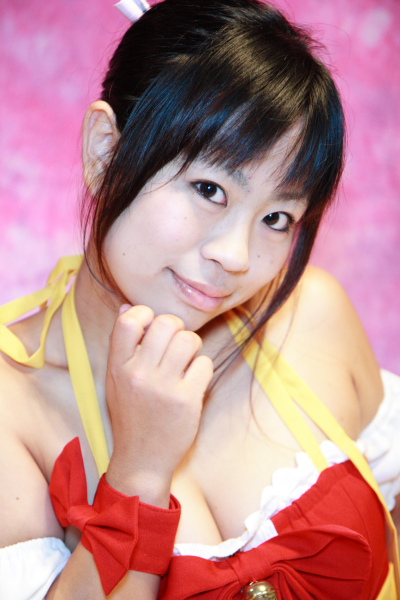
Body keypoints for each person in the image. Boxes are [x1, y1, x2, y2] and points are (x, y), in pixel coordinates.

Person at [0, 0, 399, 598]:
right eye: (209, 188)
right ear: (105, 151)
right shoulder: (11, 407)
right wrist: (140, 471)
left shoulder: (309, 316)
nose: (236, 256)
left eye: (277, 217)